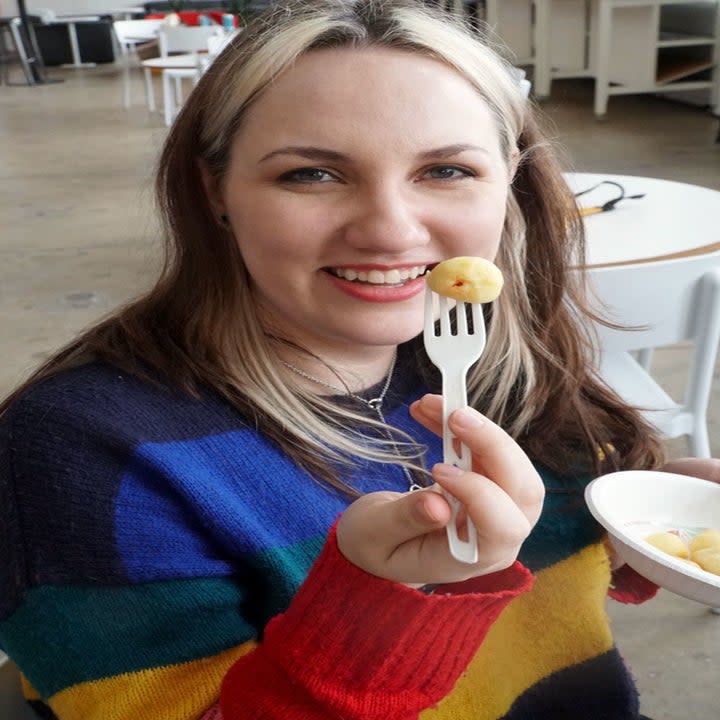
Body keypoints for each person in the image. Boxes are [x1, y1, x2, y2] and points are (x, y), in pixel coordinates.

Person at [0, 1, 717, 718]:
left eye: (445, 168)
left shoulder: (496, 365)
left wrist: (637, 520)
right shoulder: (76, 451)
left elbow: (546, 581)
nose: (388, 230)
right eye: (312, 174)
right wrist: (375, 603)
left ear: (510, 181)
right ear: (214, 189)